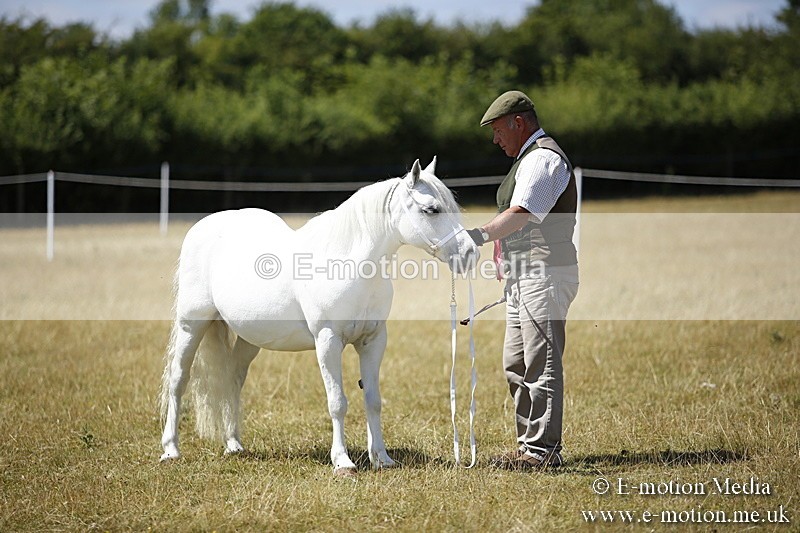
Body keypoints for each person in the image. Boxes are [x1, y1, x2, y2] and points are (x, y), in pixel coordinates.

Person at [466, 90, 579, 470]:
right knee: (516, 363)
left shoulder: (543, 158)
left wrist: (478, 236)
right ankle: (528, 447)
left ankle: (543, 452)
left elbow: (522, 214)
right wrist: (502, 254)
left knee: (539, 363)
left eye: (498, 130)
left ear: (519, 123)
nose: (495, 140)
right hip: (524, 276)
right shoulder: (527, 159)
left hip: (545, 274)